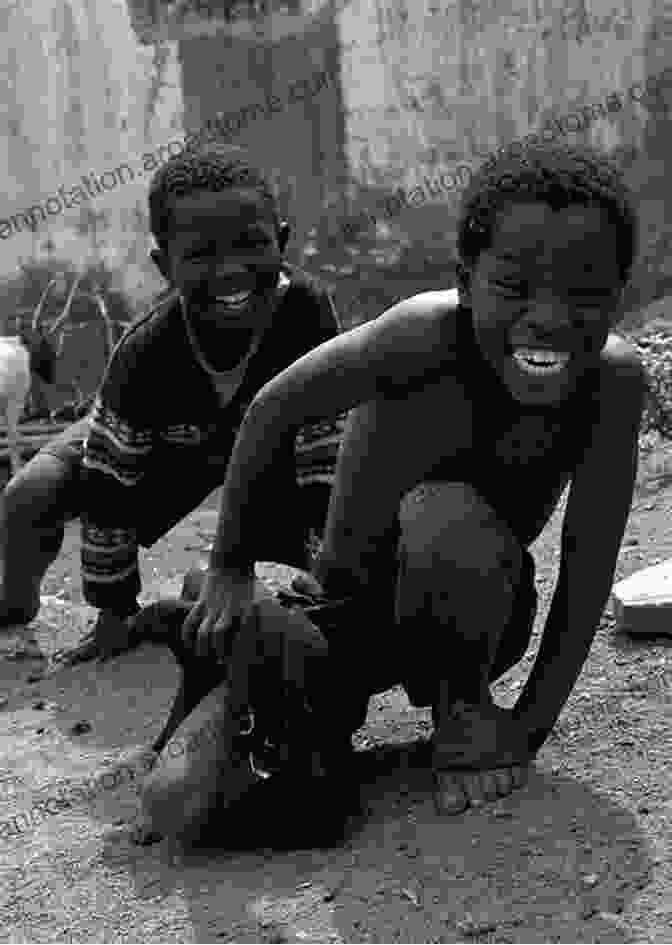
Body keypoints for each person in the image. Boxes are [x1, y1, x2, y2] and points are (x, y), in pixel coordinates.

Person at [173, 139, 645, 822]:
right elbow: (272, 407)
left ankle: (459, 711)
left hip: (478, 618)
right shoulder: (418, 337)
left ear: (619, 295)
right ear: (464, 277)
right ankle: (259, 659)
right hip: (345, 615)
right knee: (209, 799)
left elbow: (589, 558)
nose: (547, 316)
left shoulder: (612, 382)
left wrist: (524, 727)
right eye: (513, 287)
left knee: (445, 510)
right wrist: (229, 565)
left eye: (584, 292)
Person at [0, 142, 340, 663]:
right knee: (31, 493)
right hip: (159, 450)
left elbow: (322, 449)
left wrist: (327, 571)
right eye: (202, 254)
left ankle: (252, 584)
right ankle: (13, 604)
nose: (230, 270)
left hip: (262, 450)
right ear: (165, 265)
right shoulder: (144, 355)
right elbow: (111, 486)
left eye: (251, 245)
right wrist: (114, 612)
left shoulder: (306, 312)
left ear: (283, 241)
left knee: (338, 501)